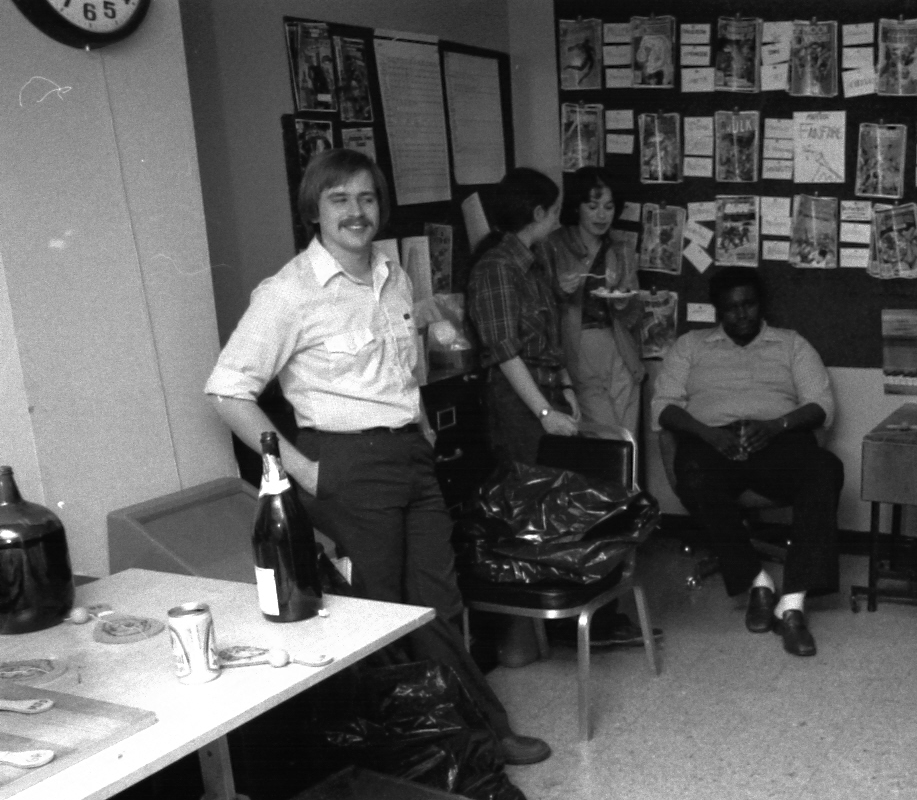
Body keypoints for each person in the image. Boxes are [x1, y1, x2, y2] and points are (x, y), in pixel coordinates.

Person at [204, 148, 551, 766]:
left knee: (438, 602)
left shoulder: (393, 274)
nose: (356, 212)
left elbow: (399, 367)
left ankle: (477, 737)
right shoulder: (288, 294)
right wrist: (300, 471)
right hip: (344, 464)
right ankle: (406, 757)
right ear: (315, 209)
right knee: (381, 612)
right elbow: (227, 390)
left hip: (408, 458)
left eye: (366, 198)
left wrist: (420, 424)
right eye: (340, 200)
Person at [466, 167, 652, 661]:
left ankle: (569, 624)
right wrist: (545, 409)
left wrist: (561, 392)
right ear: (539, 214)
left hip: (547, 390)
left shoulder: (530, 262)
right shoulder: (497, 268)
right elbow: (506, 354)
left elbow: (547, 343)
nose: (560, 216)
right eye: (554, 208)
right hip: (519, 400)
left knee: (557, 506)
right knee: (526, 506)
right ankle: (525, 634)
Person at [653, 268, 843, 658]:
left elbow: (822, 405)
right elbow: (664, 408)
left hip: (775, 442)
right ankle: (758, 582)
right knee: (692, 474)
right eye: (731, 308)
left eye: (748, 304)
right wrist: (709, 434)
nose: (741, 314)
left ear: (761, 304)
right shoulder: (691, 346)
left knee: (825, 469)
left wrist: (775, 427)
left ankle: (792, 604)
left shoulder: (792, 345)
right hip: (711, 444)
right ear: (718, 311)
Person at [545, 168, 645, 444]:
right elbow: (539, 308)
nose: (602, 215)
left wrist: (624, 302)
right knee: (608, 439)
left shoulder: (621, 248)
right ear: (577, 207)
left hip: (621, 348)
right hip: (579, 348)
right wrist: (560, 291)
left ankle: (627, 488)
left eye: (609, 207)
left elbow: (634, 313)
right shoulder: (554, 245)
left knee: (629, 439)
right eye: (593, 206)